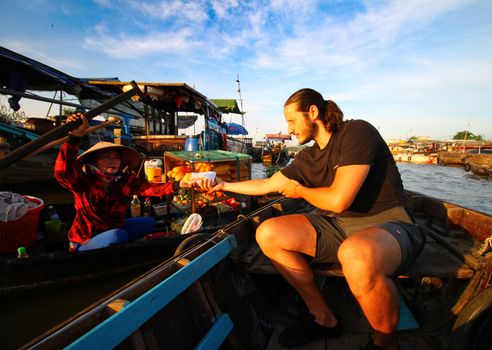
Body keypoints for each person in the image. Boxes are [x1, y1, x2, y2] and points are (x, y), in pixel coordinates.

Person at [197, 88, 425, 350]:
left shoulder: (357, 132)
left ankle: (385, 345)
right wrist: (223, 186)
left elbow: (339, 200)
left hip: (389, 223)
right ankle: (323, 317)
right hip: (339, 225)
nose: (290, 129)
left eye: (292, 121)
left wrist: (300, 191)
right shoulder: (308, 157)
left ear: (313, 113)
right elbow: (267, 184)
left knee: (356, 254)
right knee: (268, 233)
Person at [54, 113, 188, 252]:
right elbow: (63, 171)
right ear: (95, 162)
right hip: (86, 240)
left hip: (111, 227)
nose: (113, 160)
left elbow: (149, 188)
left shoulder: (124, 180)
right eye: (106, 156)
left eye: (116, 157)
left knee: (150, 222)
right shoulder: (83, 181)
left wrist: (179, 184)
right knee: (118, 236)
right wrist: (74, 137)